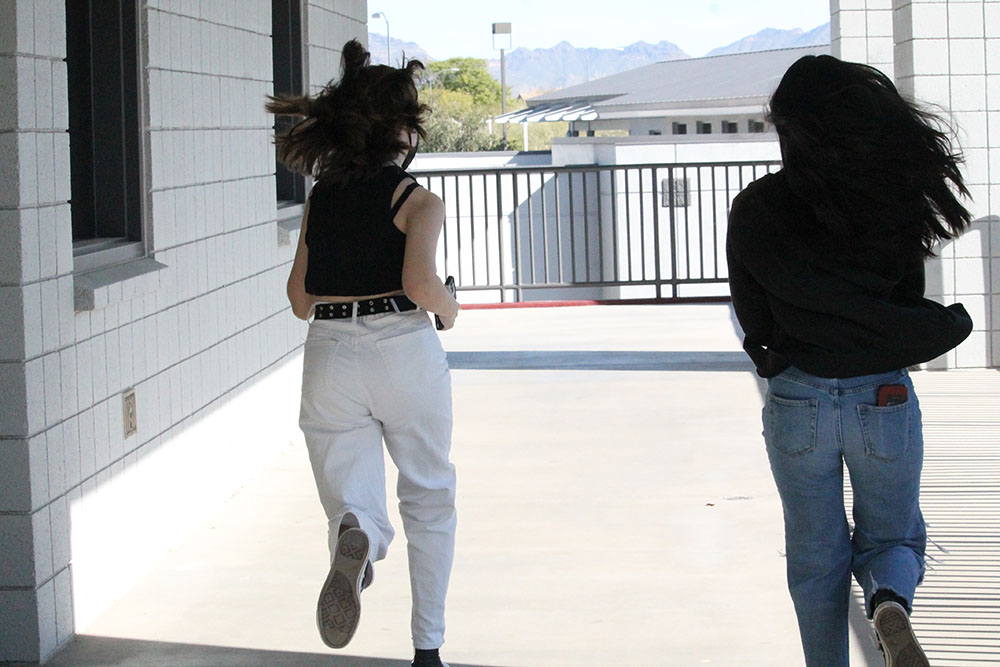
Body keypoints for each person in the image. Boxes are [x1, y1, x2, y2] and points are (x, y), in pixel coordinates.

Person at [726, 54, 973, 667]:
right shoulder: (888, 203)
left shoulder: (754, 207)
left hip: (797, 398)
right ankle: (889, 600)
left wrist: (777, 362)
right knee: (891, 535)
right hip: (880, 397)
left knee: (815, 554)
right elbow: (902, 310)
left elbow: (752, 316)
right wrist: (952, 324)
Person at [266, 39, 460, 667]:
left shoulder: (321, 198)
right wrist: (451, 309)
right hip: (402, 345)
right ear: (402, 129)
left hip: (328, 349)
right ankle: (426, 649)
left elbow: (299, 297)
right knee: (428, 495)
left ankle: (357, 534)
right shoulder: (418, 201)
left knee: (349, 492)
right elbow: (420, 286)